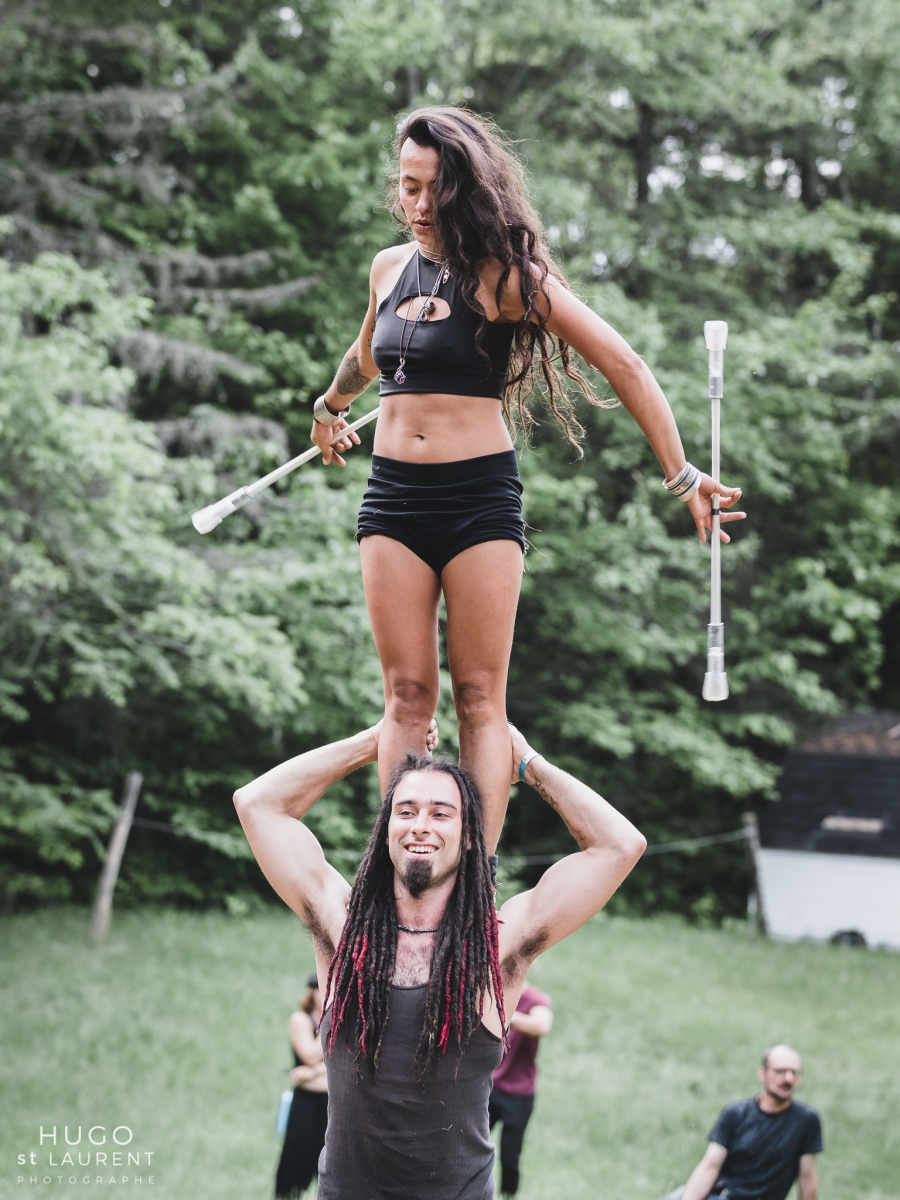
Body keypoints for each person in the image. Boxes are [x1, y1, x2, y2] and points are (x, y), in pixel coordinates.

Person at [308, 105, 745, 854]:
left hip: (478, 500)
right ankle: (402, 877)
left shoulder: (508, 279)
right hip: (392, 498)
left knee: (480, 698)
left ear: (466, 191)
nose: (418, 205)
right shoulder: (388, 267)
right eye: (407, 186)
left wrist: (682, 476)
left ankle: (472, 877)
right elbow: (367, 355)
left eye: (434, 190)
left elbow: (624, 364)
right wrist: (329, 408)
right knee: (406, 697)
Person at [233, 718, 646, 1200]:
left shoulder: (497, 944)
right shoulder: (341, 927)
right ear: (386, 829)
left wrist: (528, 763)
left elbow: (620, 845)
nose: (420, 826)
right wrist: (372, 742)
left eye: (441, 813)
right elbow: (257, 804)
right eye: (405, 811)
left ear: (469, 836)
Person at [662, 1044, 822, 1200]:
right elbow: (710, 1166)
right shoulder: (736, 1113)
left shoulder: (806, 1120)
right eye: (780, 1071)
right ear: (763, 1074)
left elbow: (807, 1179)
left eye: (794, 1073)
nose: (789, 1078)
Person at [488, 977, 552, 1197]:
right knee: (469, 1148)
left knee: (510, 1155)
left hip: (519, 1094)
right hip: (490, 1087)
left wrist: (508, 1016)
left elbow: (542, 1025)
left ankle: (508, 1195)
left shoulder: (535, 999)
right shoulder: (492, 992)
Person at [275, 975, 329, 1199]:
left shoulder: (340, 1020)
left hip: (333, 1103)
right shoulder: (301, 1020)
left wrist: (315, 1071)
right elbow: (309, 1055)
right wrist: (329, 1019)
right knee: (296, 1163)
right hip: (307, 1102)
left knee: (330, 1167)